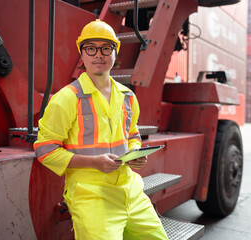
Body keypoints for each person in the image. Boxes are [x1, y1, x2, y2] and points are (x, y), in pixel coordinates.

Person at [34, 19, 168, 240]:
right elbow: (45, 150)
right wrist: (94, 162)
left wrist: (136, 153)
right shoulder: (66, 99)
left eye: (106, 48)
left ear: (115, 54)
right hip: (90, 193)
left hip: (130, 189)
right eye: (91, 48)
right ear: (82, 54)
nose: (99, 54)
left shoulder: (128, 96)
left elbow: (132, 134)